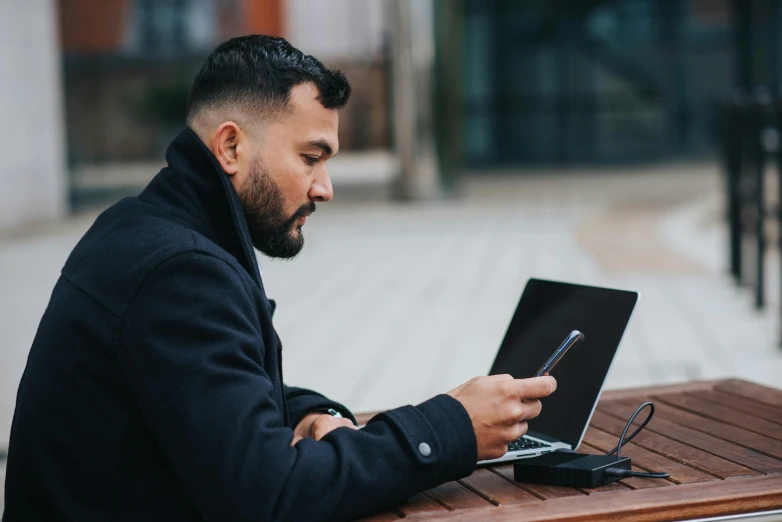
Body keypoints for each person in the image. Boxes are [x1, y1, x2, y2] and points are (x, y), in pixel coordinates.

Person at [2, 35, 556, 521]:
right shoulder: (179, 271)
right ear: (231, 146)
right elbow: (270, 497)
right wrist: (451, 428)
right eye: (311, 157)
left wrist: (316, 414)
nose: (325, 187)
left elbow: (214, 388)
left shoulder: (144, 227)